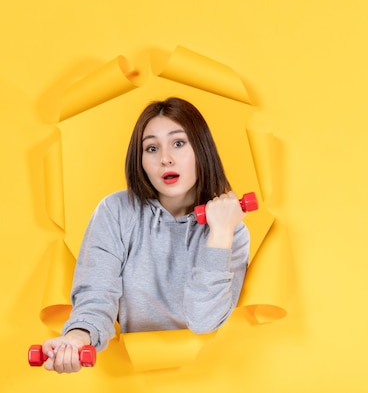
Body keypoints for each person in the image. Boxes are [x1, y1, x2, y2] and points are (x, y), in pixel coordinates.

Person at [40, 97, 250, 373]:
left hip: (208, 377)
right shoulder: (116, 211)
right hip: (130, 378)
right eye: (151, 148)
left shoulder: (230, 230)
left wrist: (221, 233)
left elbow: (204, 320)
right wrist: (77, 338)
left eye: (178, 143)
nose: (165, 159)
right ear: (140, 161)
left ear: (201, 149)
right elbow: (97, 294)